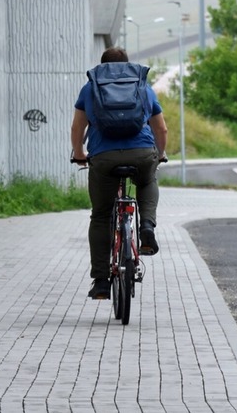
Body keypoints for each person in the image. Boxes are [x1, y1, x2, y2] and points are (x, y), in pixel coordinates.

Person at [71, 47, 168, 300]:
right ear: (126, 65)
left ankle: (102, 281)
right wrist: (160, 154)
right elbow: (162, 129)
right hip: (142, 152)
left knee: (101, 215)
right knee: (147, 179)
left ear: (102, 66)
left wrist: (80, 154)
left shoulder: (90, 88)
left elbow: (77, 127)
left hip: (103, 157)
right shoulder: (142, 87)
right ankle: (146, 226)